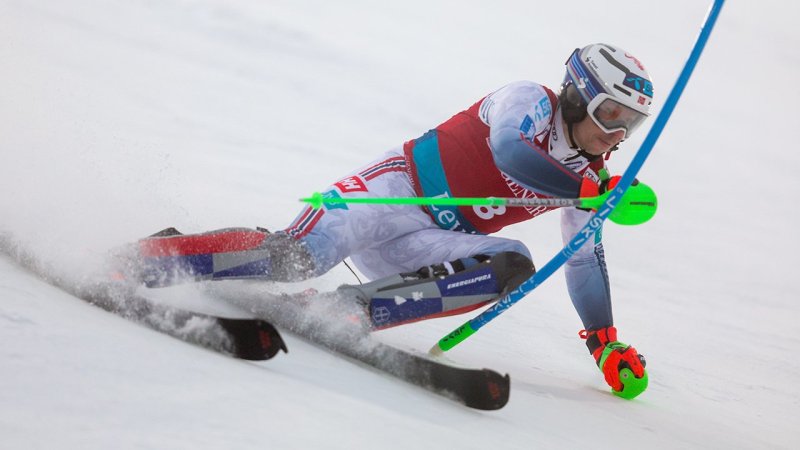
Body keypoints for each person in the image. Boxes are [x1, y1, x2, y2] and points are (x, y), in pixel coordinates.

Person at [129, 43, 651, 396]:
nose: (618, 134)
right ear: (580, 94)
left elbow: (582, 259)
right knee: (295, 256)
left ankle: (345, 311)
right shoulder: (529, 101)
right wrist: (586, 190)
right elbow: (510, 151)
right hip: (391, 194)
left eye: (631, 124)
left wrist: (604, 341)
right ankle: (155, 255)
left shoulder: (589, 178)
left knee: (514, 264)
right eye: (612, 114)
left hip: (427, 244)